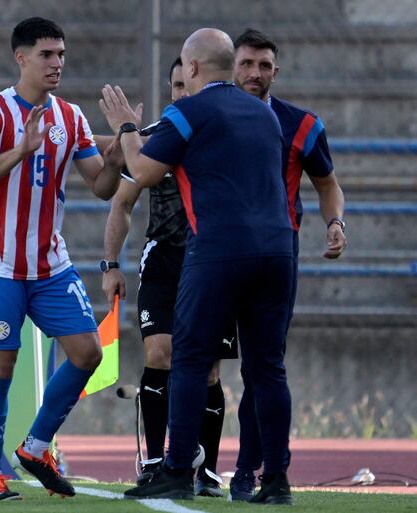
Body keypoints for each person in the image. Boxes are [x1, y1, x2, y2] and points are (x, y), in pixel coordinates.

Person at [100, 28, 296, 504]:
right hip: (277, 251)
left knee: (188, 358)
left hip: (218, 249)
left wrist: (127, 127)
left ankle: (175, 470)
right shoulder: (265, 114)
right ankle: (276, 482)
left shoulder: (188, 111)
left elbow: (144, 172)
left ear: (190, 68)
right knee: (268, 369)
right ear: (232, 66)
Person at [0, 17, 123, 501]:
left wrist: (115, 157)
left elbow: (102, 187)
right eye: (47, 55)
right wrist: (20, 149)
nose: (57, 64)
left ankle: (34, 447)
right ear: (21, 57)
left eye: (61, 55)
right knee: (1, 366)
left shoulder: (71, 118)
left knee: (89, 353)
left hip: (51, 266)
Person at [98, 57, 235, 498]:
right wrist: (110, 264)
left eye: (186, 84)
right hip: (164, 261)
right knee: (160, 352)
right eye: (175, 86)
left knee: (210, 370)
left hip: (214, 262)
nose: (181, 93)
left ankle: (208, 470)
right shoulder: (153, 139)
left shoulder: (223, 136)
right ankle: (155, 462)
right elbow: (120, 203)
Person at [228, 28, 347, 501]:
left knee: (262, 365)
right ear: (231, 66)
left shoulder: (300, 125)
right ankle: (181, 466)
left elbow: (327, 184)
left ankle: (252, 471)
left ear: (276, 71)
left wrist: (335, 223)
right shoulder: (208, 117)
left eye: (263, 65)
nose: (254, 73)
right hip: (211, 253)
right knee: (193, 361)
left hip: (276, 254)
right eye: (246, 64)